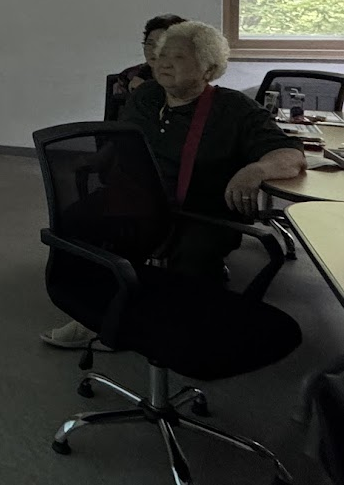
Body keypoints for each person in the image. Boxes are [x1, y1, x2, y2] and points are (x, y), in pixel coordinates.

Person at [41, 21, 306, 350]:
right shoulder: (146, 97)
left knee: (193, 261)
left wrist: (256, 170)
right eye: (162, 54)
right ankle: (98, 316)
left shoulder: (234, 109)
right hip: (139, 202)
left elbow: (289, 155)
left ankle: (174, 333)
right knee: (77, 221)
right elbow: (124, 138)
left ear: (208, 69)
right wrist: (98, 160)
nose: (164, 63)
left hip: (200, 211)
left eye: (179, 57)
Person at [111, 13, 188, 98]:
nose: (153, 50)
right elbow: (117, 105)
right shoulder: (129, 76)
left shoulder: (189, 78)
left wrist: (147, 91)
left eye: (161, 44)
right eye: (149, 43)